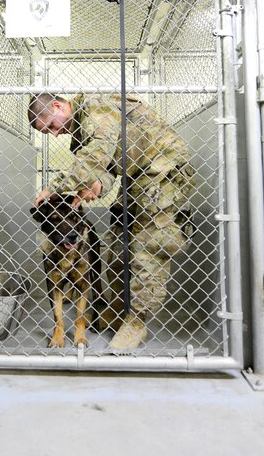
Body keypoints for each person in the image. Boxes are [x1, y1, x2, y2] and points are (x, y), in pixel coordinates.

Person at [29, 92, 194, 350]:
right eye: (46, 132)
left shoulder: (94, 106)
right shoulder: (81, 132)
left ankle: (136, 323)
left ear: (58, 105)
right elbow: (105, 168)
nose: (54, 134)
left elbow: (99, 150)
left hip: (162, 169)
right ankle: (117, 311)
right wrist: (96, 185)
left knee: (148, 248)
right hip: (135, 177)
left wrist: (54, 187)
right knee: (116, 242)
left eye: (50, 125)